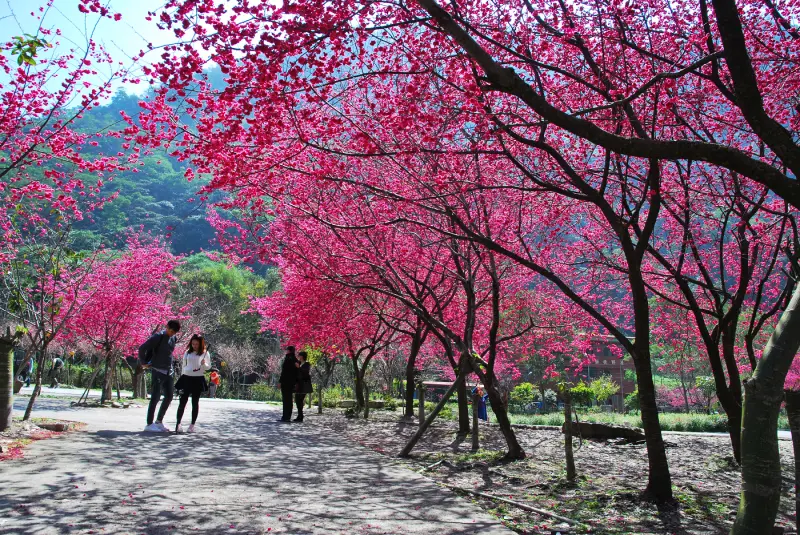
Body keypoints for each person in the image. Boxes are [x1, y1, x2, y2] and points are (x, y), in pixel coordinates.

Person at [138, 320, 181, 432]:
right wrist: (143, 363)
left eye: (174, 332)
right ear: (166, 327)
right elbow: (142, 348)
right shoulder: (158, 337)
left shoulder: (173, 338)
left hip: (168, 371)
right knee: (155, 397)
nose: (172, 334)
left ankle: (159, 421)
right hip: (157, 370)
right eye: (171, 331)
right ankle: (149, 424)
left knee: (169, 396)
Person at [174, 335, 211, 434]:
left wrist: (204, 364)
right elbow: (184, 366)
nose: (194, 346)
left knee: (195, 403)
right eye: (193, 344)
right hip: (186, 377)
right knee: (182, 402)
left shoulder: (205, 353)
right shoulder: (187, 352)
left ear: (201, 344)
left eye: (197, 344)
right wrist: (181, 378)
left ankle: (192, 425)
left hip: (198, 379)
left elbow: (208, 367)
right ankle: (178, 424)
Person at [277, 346, 298, 422]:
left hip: (286, 382)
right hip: (292, 383)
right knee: (289, 400)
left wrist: (280, 381)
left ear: (289, 351)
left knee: (286, 400)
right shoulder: (295, 360)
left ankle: (285, 417)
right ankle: (288, 416)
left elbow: (284, 372)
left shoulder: (288, 359)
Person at [294, 351, 313, 422]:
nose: (299, 356)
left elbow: (305, 373)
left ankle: (300, 416)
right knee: (297, 400)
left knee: (300, 399)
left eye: (300, 355)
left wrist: (299, 368)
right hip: (298, 384)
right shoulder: (298, 363)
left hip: (304, 385)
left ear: (303, 356)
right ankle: (300, 415)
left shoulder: (307, 364)